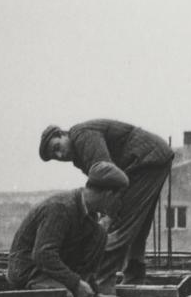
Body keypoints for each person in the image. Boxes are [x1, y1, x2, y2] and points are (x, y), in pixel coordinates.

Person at [39, 118, 173, 285]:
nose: (60, 155)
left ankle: (102, 283)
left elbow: (106, 173)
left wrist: (108, 214)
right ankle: (134, 275)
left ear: (61, 134)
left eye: (57, 148)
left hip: (145, 159)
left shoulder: (81, 135)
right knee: (137, 224)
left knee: (119, 225)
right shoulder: (79, 152)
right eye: (55, 157)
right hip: (152, 157)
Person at [7, 161, 128, 297]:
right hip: (29, 272)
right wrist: (75, 283)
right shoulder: (60, 209)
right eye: (118, 198)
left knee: (100, 234)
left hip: (52, 272)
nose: (119, 203)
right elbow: (43, 255)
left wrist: (93, 293)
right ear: (108, 195)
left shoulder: (90, 219)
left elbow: (86, 269)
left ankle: (80, 295)